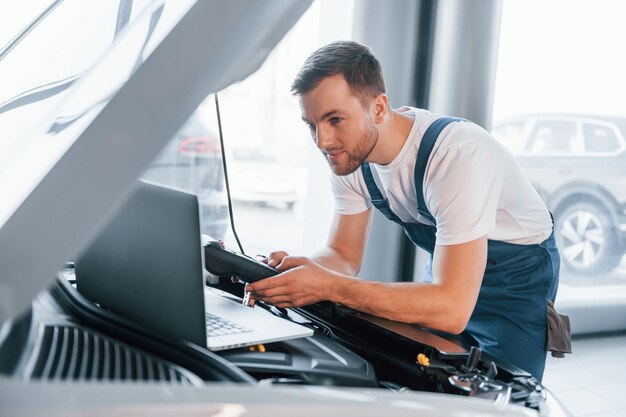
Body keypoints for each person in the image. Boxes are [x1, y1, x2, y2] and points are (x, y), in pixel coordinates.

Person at [245, 40, 561, 380]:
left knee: (503, 395)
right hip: (452, 271)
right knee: (436, 376)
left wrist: (326, 286)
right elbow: (342, 254)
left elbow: (450, 308)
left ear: (378, 108)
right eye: (312, 124)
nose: (323, 141)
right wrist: (296, 274)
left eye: (335, 119)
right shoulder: (351, 158)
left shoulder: (456, 156)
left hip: (516, 282)